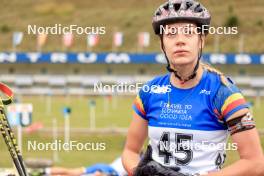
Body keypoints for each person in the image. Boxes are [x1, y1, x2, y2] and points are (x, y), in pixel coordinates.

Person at [122, 0, 264, 175]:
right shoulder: (150, 91)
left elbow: (255, 162)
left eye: (188, 33)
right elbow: (130, 151)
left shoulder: (224, 93)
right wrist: (138, 171)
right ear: (162, 45)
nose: (180, 40)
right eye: (171, 34)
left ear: (201, 41)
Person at [42, 157, 127, 176]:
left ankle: (45, 171)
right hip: (108, 171)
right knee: (71, 172)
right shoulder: (136, 160)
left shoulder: (127, 154)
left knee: (70, 172)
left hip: (103, 167)